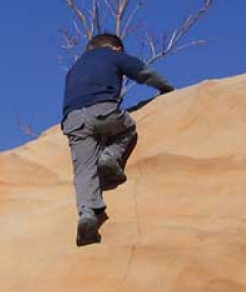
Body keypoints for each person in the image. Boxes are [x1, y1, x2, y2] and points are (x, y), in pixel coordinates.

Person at [62, 33, 175, 245]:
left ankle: (87, 214)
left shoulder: (74, 68)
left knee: (84, 169)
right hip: (103, 109)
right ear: (117, 49)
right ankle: (109, 157)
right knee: (127, 128)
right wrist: (167, 88)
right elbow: (142, 72)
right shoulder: (112, 55)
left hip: (73, 120)